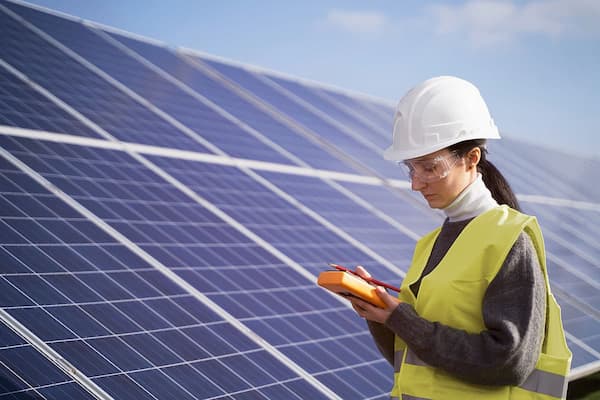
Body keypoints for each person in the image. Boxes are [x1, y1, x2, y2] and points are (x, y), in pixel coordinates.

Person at [349, 76, 571, 399]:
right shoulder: (429, 245)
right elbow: (415, 359)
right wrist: (381, 315)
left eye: (429, 167)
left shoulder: (508, 240)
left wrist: (403, 319)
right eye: (411, 169)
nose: (416, 183)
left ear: (472, 159)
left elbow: (509, 360)